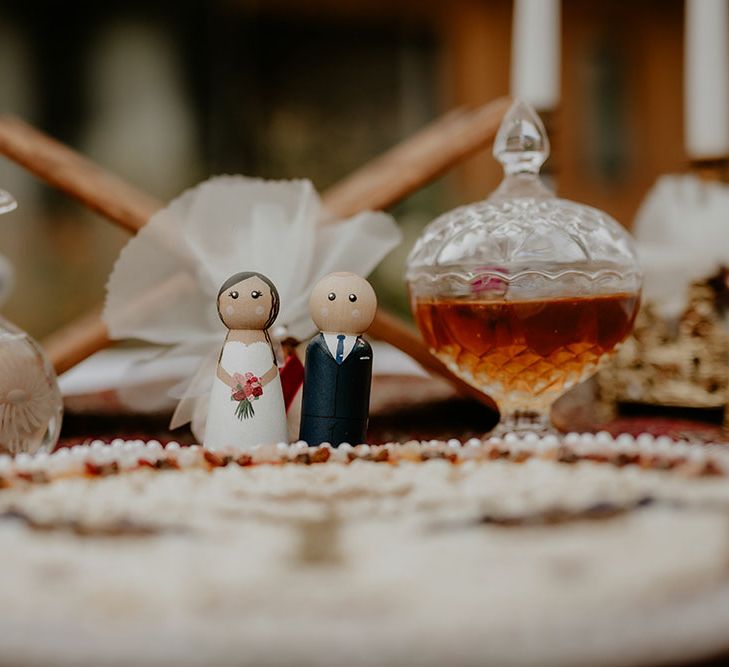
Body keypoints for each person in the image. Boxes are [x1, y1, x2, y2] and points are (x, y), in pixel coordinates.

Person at [205, 272, 288, 450]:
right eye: (233, 296)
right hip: (223, 429)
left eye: (256, 296)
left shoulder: (264, 344)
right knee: (226, 420)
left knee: (263, 422)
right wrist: (232, 383)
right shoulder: (230, 343)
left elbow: (272, 370)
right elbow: (221, 370)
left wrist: (260, 382)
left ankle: (268, 442)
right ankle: (221, 441)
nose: (244, 301)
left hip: (268, 436)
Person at [299, 272, 377, 446]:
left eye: (352, 298)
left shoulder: (363, 350)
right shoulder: (315, 347)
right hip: (316, 417)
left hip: (352, 418)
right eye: (331, 297)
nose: (342, 304)